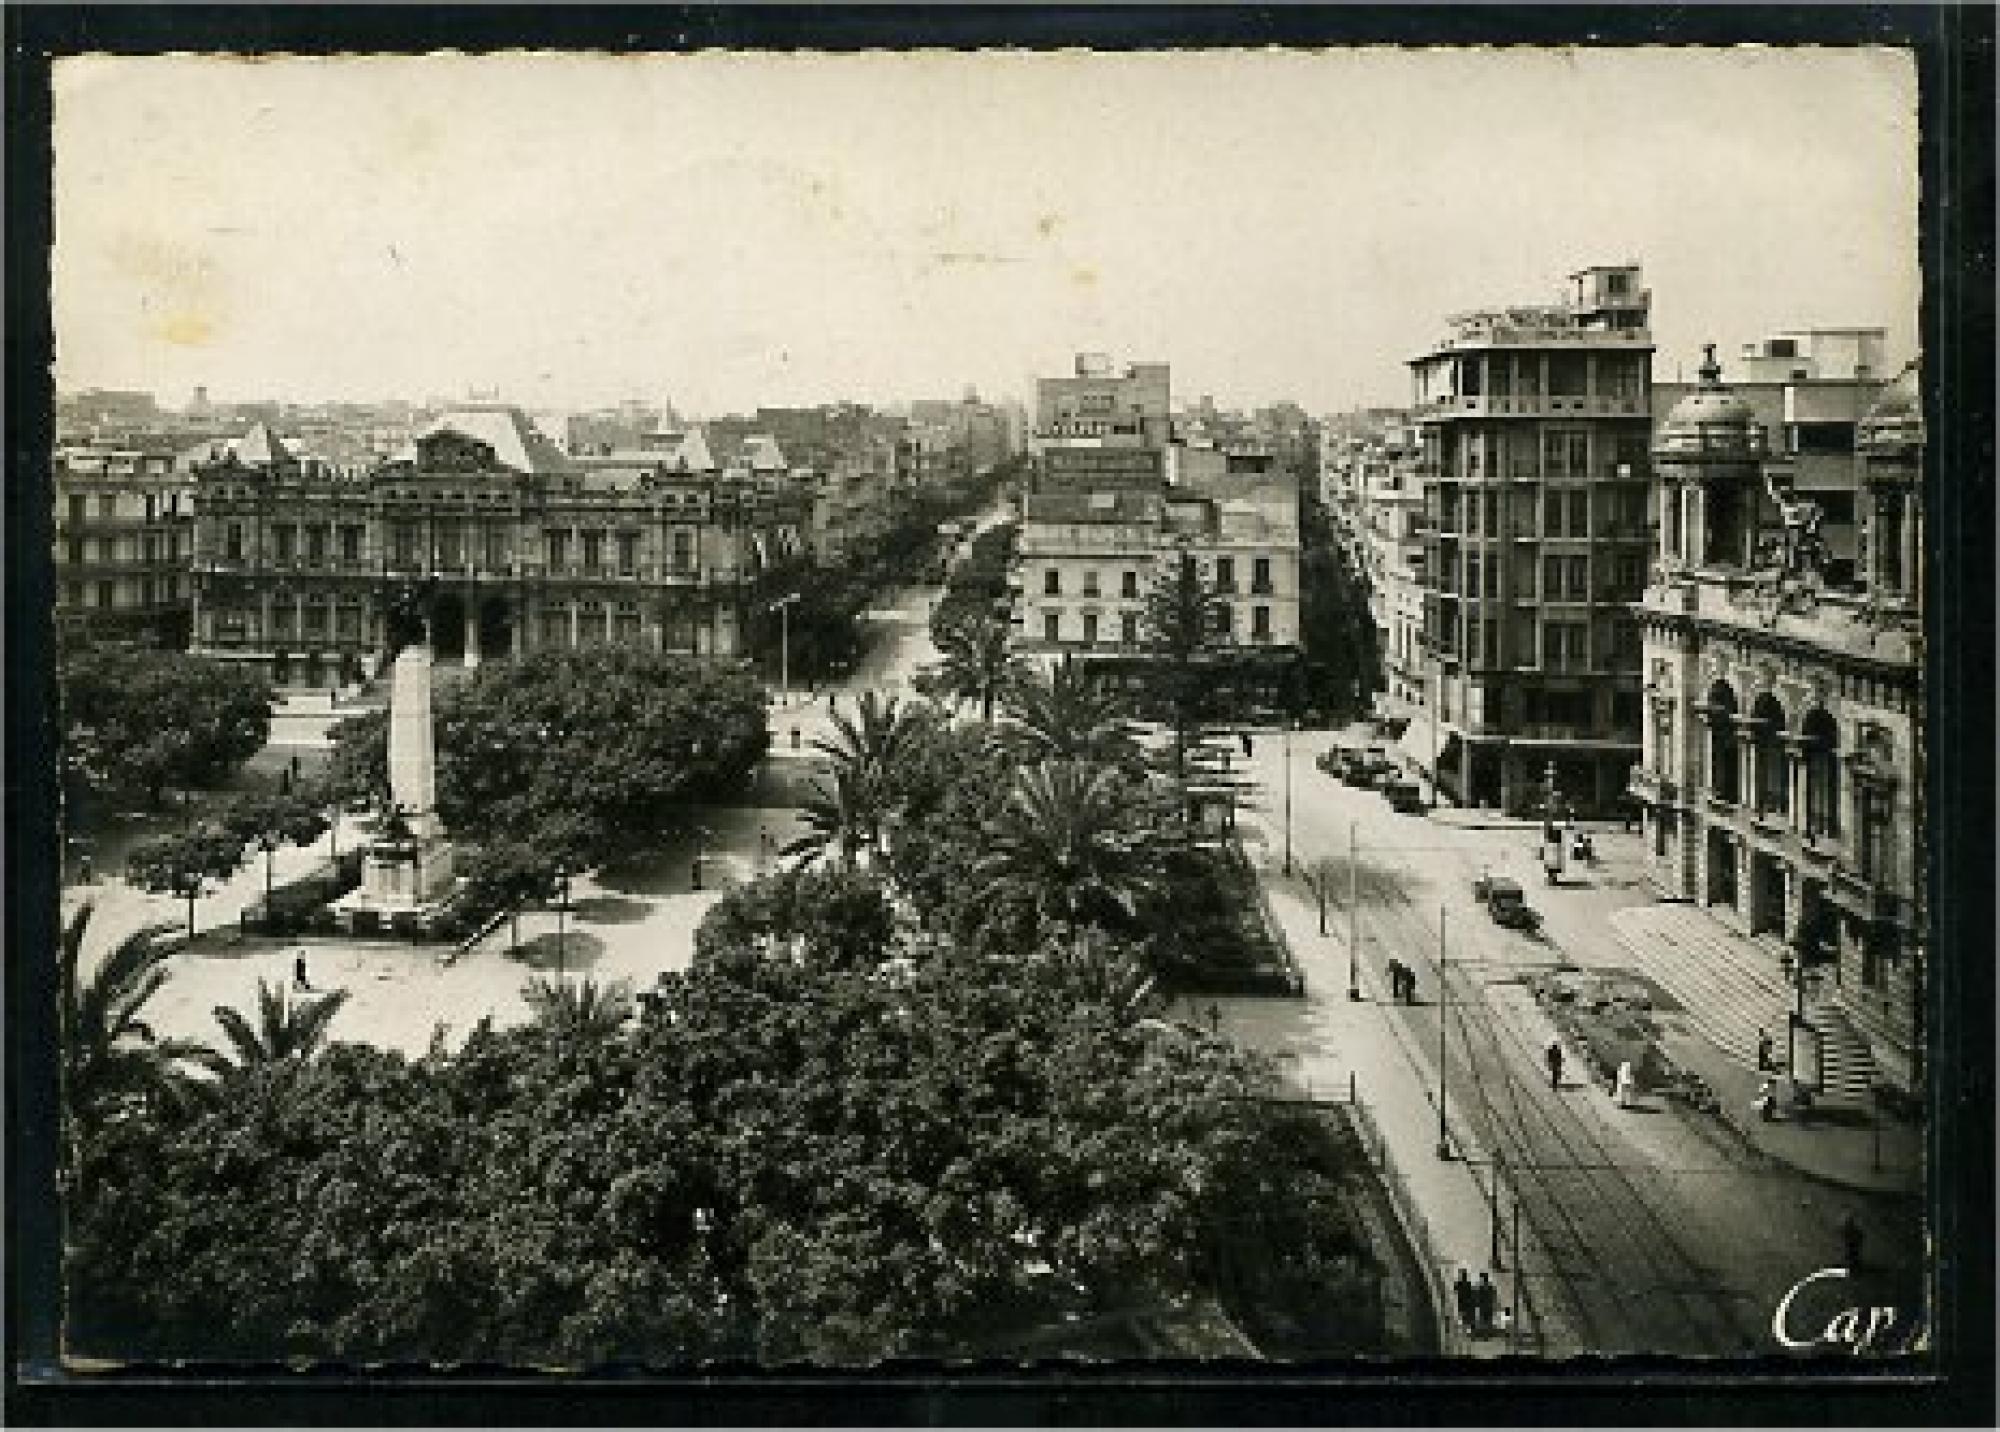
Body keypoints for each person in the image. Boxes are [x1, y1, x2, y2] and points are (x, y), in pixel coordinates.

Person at [1453, 1268, 1477, 1335]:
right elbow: (1471, 1292)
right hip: (1467, 1302)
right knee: (1468, 1316)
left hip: (1462, 1302)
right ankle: (1470, 1329)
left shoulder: (1459, 1283)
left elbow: (1455, 1289)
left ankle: (1467, 1329)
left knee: (1464, 1316)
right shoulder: (1468, 1283)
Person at [1474, 1270, 1498, 1336]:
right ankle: (1488, 1333)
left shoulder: (1481, 1287)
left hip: (1484, 1306)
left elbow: (1478, 1297)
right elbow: (1494, 1296)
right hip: (1487, 1305)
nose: (1480, 1279)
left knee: (1484, 1320)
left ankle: (1485, 1333)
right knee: (1487, 1320)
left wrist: (1477, 1304)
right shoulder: (1490, 1287)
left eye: (1481, 1278)